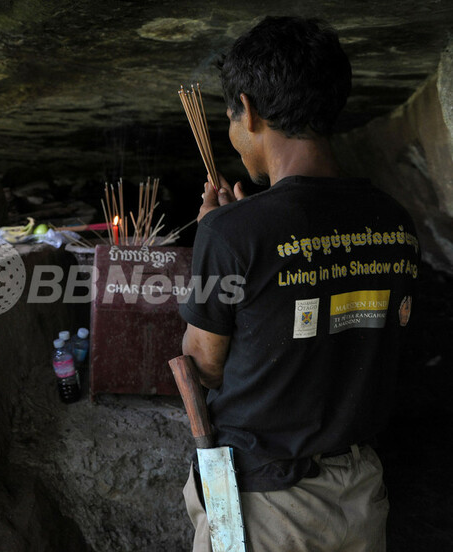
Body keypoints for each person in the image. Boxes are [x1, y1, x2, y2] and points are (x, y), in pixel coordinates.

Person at [178, 16, 420, 551]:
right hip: (360, 493)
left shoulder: (230, 233)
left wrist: (220, 235)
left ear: (248, 110)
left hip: (267, 507)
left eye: (232, 118)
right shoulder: (394, 221)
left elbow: (203, 366)